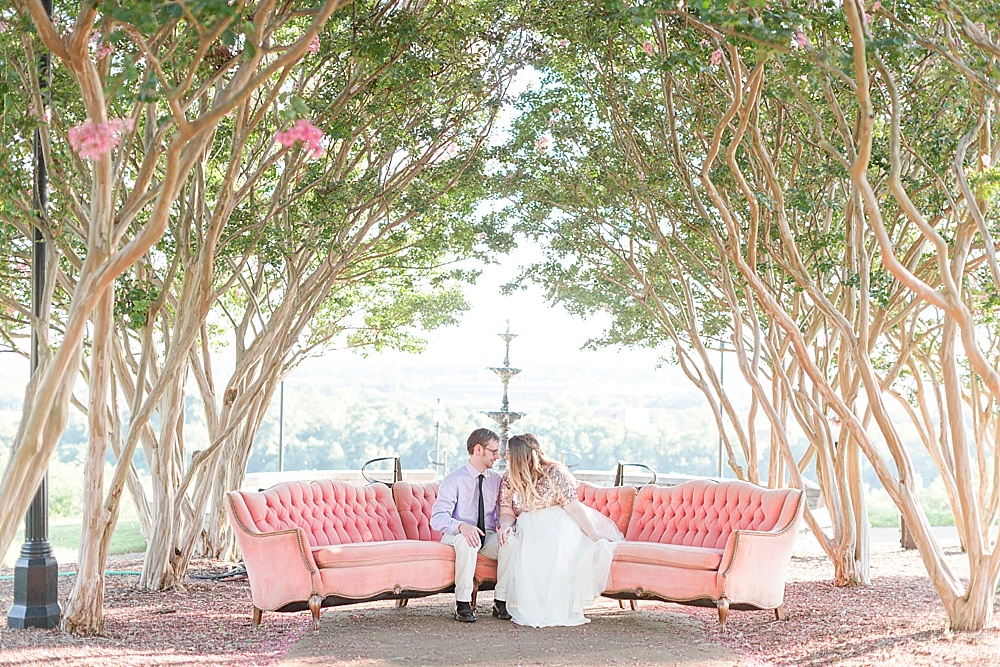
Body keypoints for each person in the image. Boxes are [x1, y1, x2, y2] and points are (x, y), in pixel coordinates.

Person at [496, 433, 623, 627]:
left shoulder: (553, 472)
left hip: (559, 520)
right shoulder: (508, 479)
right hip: (528, 524)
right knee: (529, 546)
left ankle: (558, 605)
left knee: (559, 541)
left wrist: (593, 534)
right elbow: (506, 511)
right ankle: (534, 603)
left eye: (508, 453)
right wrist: (505, 526)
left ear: (521, 455)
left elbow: (573, 506)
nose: (505, 458)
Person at [430, 427, 512, 622]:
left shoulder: (497, 481)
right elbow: (438, 518)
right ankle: (463, 603)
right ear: (478, 450)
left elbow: (502, 514)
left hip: (487, 535)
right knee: (468, 541)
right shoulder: (454, 480)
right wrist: (461, 527)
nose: (497, 457)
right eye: (493, 452)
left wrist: (506, 528)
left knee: (511, 541)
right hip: (457, 535)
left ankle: (501, 601)